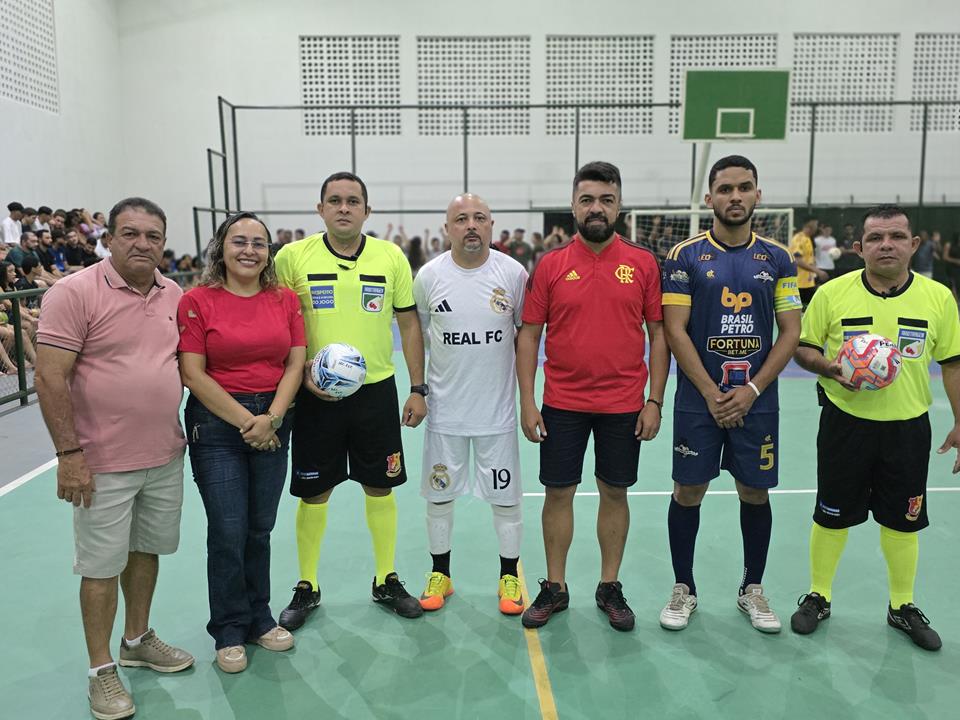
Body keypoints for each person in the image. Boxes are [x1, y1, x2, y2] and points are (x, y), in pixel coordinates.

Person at [34, 198, 193, 720]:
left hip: (164, 454)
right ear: (108, 239)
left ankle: (137, 639)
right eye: (130, 233)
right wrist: (69, 454)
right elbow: (49, 377)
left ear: (163, 242)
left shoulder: (174, 294)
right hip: (100, 461)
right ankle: (100, 669)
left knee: (146, 551)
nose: (142, 244)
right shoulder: (73, 293)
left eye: (153, 235)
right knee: (101, 566)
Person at [791, 205, 960, 652]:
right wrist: (828, 367)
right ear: (858, 247)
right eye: (876, 238)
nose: (887, 245)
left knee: (904, 520)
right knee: (830, 514)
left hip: (907, 429)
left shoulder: (938, 298)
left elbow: (953, 363)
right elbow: (803, 349)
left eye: (897, 237)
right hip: (845, 424)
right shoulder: (833, 293)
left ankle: (902, 605)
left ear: (914, 245)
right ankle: (819, 595)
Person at [517, 161, 668, 632]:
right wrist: (528, 401)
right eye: (587, 200)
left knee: (614, 492)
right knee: (557, 492)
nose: (596, 208)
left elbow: (659, 334)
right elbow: (529, 335)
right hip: (562, 403)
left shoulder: (643, 263)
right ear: (573, 206)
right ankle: (555, 587)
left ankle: (609, 585)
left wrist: (654, 400)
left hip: (624, 404)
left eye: (606, 200)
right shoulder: (551, 265)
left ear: (619, 206)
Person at [274, 171, 428, 628]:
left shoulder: (390, 256)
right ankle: (307, 584)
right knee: (314, 490)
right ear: (320, 209)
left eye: (353, 201)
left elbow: (409, 324)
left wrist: (417, 387)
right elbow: (276, 321)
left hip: (375, 390)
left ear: (367, 210)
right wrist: (296, 375)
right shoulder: (292, 258)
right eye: (335, 200)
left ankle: (385, 578)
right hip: (314, 393)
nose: (344, 208)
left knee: (380, 484)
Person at [659, 155, 802, 633]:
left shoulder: (779, 258)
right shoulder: (684, 256)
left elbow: (791, 331)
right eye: (725, 189)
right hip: (698, 401)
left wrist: (752, 390)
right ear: (709, 198)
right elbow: (675, 330)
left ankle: (752, 588)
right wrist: (711, 392)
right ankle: (684, 587)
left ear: (758, 194)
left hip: (757, 402)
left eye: (744, 187)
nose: (735, 196)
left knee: (754, 491)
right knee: (688, 490)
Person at [178, 212, 306, 673]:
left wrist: (272, 418)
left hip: (273, 419)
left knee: (259, 527)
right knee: (228, 529)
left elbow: (295, 363)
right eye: (239, 241)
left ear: (269, 253)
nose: (249, 250)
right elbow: (192, 373)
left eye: (258, 243)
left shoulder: (285, 300)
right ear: (221, 248)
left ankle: (260, 618)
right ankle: (229, 628)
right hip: (216, 426)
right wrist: (249, 422)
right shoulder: (196, 301)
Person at [412, 193, 528, 615]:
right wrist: (418, 389)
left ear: (492, 224)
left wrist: (528, 400)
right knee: (439, 496)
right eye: (461, 219)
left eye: (479, 217)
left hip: (497, 413)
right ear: (448, 229)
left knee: (506, 498)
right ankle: (440, 574)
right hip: (446, 412)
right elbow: (417, 334)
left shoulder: (513, 274)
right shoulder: (429, 277)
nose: (471, 225)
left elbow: (525, 337)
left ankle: (509, 576)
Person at [790, 219, 829, 308]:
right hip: (799, 283)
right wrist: (818, 271)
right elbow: (798, 260)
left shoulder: (808, 238)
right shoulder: (799, 238)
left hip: (808, 282)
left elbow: (808, 259)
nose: (817, 228)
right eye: (816, 225)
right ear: (810, 225)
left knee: (813, 308)